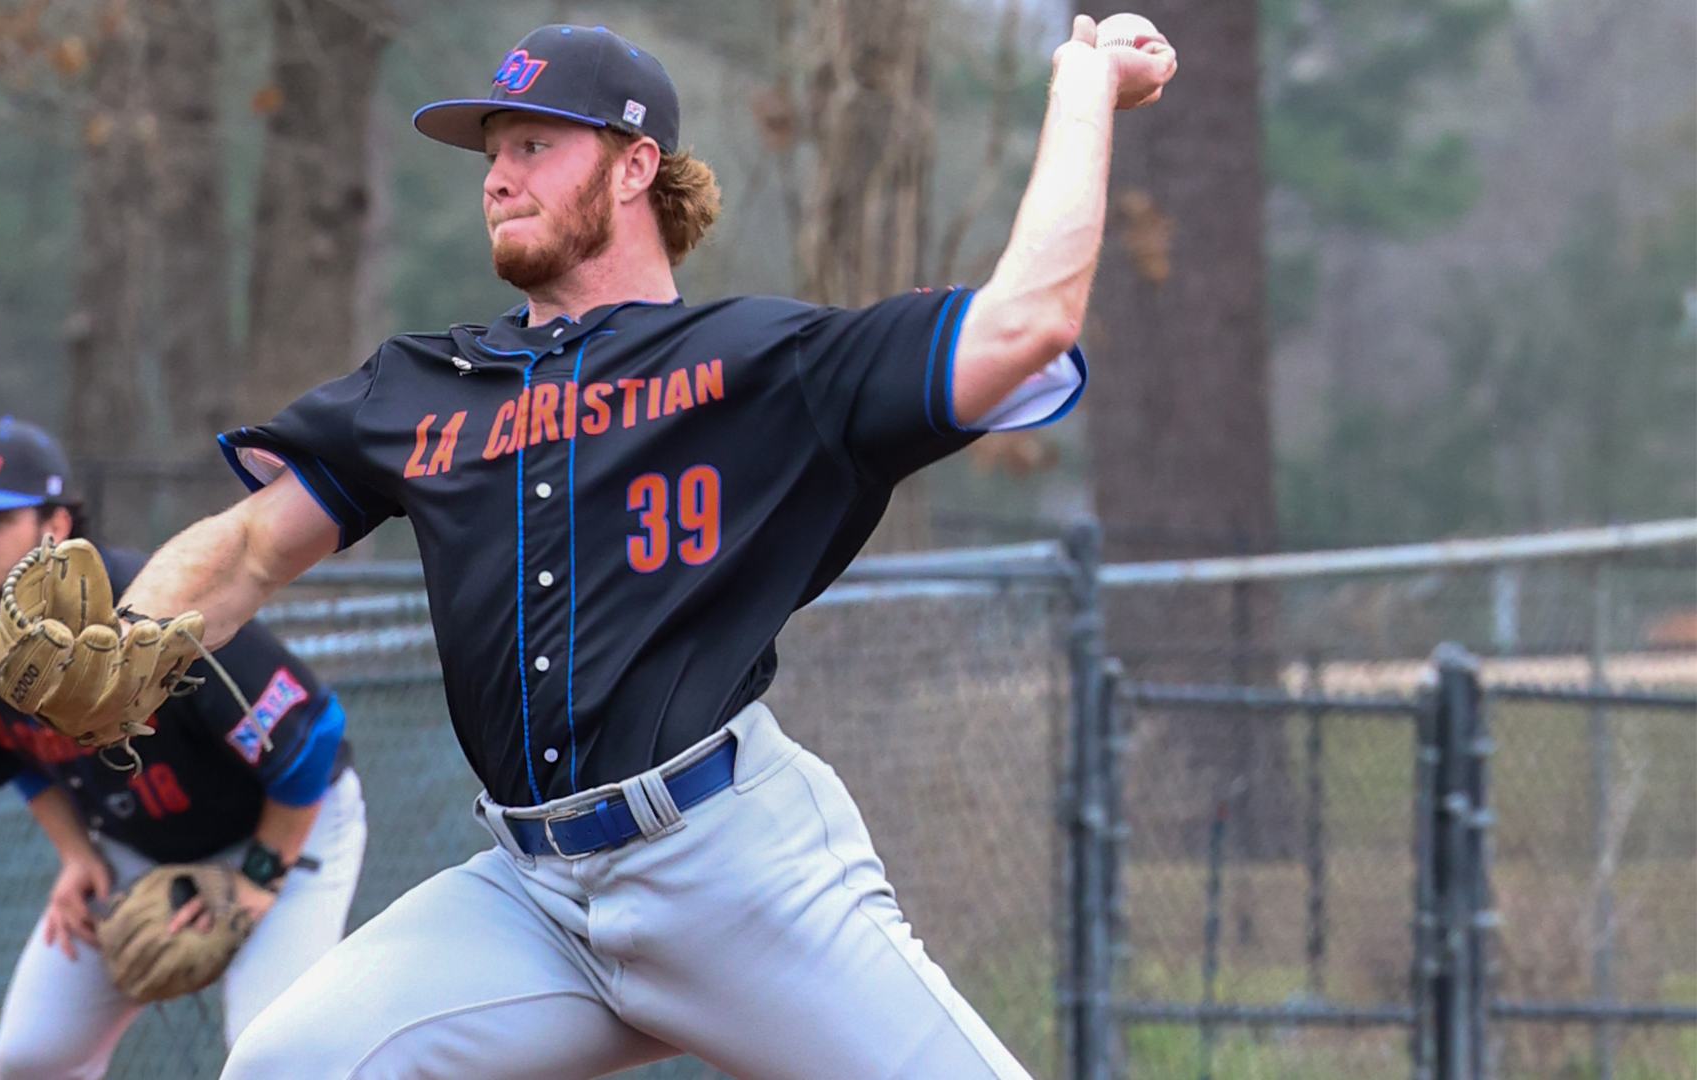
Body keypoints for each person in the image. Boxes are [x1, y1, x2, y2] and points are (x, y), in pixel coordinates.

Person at [102, 17, 1171, 1079]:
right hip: (531, 898)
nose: (499, 177)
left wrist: (1082, 94)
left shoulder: (761, 361)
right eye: (491, 153)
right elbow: (245, 548)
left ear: (634, 166)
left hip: (731, 869)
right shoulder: (424, 390)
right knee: (288, 1064)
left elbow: (1023, 326)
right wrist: (127, 640)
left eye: (534, 145)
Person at [0, 417, 368, 1079]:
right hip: (139, 847)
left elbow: (313, 735)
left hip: (290, 828)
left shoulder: (153, 606)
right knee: (30, 1057)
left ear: (56, 526)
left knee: (269, 1057)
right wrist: (77, 856)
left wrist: (259, 881)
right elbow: (11, 762)